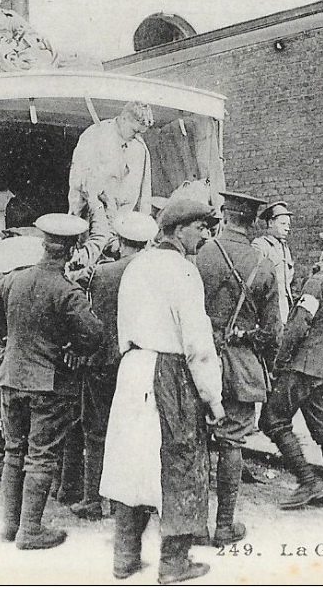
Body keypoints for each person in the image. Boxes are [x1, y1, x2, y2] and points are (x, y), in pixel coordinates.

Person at [99, 198, 225, 584]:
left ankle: (124, 558)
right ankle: (173, 565)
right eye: (199, 228)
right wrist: (213, 398)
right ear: (178, 229)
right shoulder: (184, 272)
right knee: (181, 463)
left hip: (133, 368)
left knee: (132, 461)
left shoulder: (137, 266)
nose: (204, 235)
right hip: (170, 372)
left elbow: (123, 326)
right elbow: (198, 345)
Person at [0, 213, 104, 550]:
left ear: (43, 245)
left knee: (13, 451)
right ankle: (30, 531)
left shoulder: (12, 279)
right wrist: (72, 347)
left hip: (11, 377)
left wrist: (9, 334)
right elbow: (94, 335)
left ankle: (10, 526)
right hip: (47, 385)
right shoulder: (68, 292)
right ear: (74, 249)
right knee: (42, 457)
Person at [195, 191, 280, 546]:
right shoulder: (264, 264)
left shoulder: (202, 254)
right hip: (242, 365)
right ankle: (225, 526)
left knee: (196, 438)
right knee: (232, 442)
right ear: (253, 223)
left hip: (199, 358)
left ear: (225, 217)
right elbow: (273, 331)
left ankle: (194, 524)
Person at [69, 212, 159, 521]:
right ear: (147, 243)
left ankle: (93, 501)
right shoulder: (155, 273)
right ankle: (137, 501)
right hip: (143, 363)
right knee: (140, 431)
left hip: (104, 363)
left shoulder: (102, 274)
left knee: (96, 431)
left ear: (120, 243)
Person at [259, 232, 323, 510]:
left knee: (272, 420)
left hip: (299, 366)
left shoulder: (316, 283)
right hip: (320, 367)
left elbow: (298, 326)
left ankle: (307, 480)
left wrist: (280, 362)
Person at [67, 101, 155, 248]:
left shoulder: (140, 148)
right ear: (125, 118)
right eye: (135, 131)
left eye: (141, 132)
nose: (138, 136)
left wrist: (143, 227)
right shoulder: (95, 135)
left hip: (122, 226)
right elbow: (78, 181)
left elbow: (145, 192)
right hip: (93, 220)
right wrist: (75, 219)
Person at [252, 201, 296, 324]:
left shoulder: (284, 247)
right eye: (283, 223)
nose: (287, 228)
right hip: (268, 309)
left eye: (288, 224)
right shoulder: (260, 246)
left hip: (285, 308)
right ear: (270, 223)